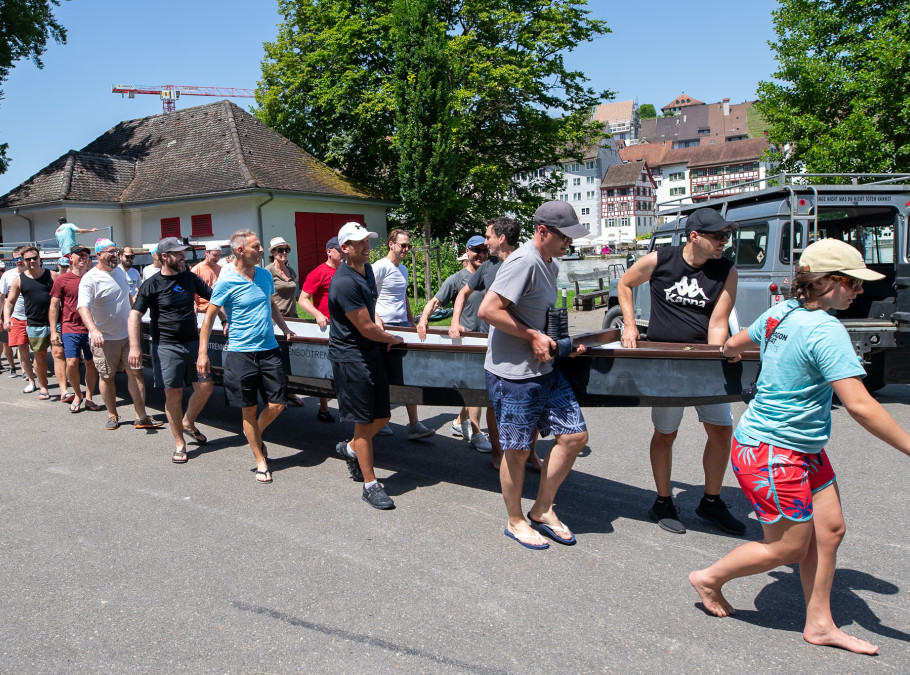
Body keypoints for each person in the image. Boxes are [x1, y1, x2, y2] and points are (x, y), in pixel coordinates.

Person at [689, 238, 910, 655]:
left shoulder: (782, 312)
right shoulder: (826, 330)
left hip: (802, 447)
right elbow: (860, 405)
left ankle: (821, 623)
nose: (861, 292)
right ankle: (709, 578)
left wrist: (730, 351)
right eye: (854, 284)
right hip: (770, 450)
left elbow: (740, 340)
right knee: (790, 546)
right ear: (827, 282)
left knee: (829, 531)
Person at [617, 207, 744, 536]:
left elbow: (718, 322)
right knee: (666, 433)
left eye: (726, 236)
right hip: (666, 364)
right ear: (694, 236)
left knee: (720, 431)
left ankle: (711, 501)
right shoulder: (662, 259)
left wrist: (716, 357)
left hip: (703, 363)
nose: (723, 243)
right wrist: (629, 326)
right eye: (718, 236)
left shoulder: (726, 271)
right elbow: (625, 283)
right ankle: (662, 501)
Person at [479, 201, 589, 549]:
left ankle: (541, 510)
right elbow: (488, 310)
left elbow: (537, 315)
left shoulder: (549, 263)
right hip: (513, 376)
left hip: (544, 368)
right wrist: (532, 336)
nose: (569, 244)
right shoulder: (522, 261)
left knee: (574, 437)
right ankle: (515, 520)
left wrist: (558, 342)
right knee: (517, 450)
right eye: (565, 237)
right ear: (543, 232)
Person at [197, 229, 295, 484]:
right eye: (257, 247)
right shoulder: (226, 281)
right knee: (248, 410)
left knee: (278, 404)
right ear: (241, 251)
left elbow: (270, 302)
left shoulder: (263, 275)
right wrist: (202, 354)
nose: (262, 251)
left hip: (269, 348)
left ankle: (253, 433)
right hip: (240, 353)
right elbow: (208, 318)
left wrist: (284, 327)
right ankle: (260, 459)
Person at [328, 221, 403, 509]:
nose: (365, 245)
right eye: (358, 242)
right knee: (364, 423)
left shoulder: (368, 271)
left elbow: (371, 314)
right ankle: (370, 485)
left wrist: (379, 324)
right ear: (344, 248)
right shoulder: (344, 281)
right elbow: (365, 328)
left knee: (382, 417)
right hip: (351, 358)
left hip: (370, 354)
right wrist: (391, 337)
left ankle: (349, 448)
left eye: (367, 240)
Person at [129, 237, 215, 464]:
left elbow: (215, 298)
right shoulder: (152, 283)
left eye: (183, 252)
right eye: (177, 253)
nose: (183, 256)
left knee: (205, 387)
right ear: (164, 257)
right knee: (173, 394)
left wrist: (225, 318)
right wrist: (135, 346)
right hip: (166, 346)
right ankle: (180, 442)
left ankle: (188, 422)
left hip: (193, 343)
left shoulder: (189, 278)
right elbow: (134, 314)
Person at [77, 238, 164, 431]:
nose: (114, 255)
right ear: (98, 255)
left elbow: (127, 297)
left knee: (136, 373)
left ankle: (141, 416)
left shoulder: (120, 273)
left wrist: (136, 320)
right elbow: (83, 308)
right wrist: (94, 330)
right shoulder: (90, 279)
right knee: (107, 377)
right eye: (109, 252)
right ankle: (112, 414)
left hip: (127, 336)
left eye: (115, 251)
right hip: (104, 339)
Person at [416, 235, 492, 452]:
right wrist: (423, 320)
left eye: (484, 250)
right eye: (476, 250)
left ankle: (459, 423)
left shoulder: (491, 275)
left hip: (488, 340)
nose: (481, 255)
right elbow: (435, 302)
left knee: (477, 389)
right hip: (467, 343)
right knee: (477, 388)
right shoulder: (457, 279)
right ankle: (476, 434)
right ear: (467, 252)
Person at [371, 228, 434, 440]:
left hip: (400, 326)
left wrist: (410, 321)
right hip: (385, 327)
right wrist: (377, 319)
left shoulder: (403, 269)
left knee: (407, 373)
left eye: (408, 245)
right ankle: (379, 419)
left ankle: (414, 423)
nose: (406, 249)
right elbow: (367, 294)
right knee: (384, 375)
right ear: (391, 244)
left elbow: (403, 296)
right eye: (402, 245)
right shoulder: (379, 267)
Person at [50, 245, 101, 413]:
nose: (83, 257)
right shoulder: (62, 280)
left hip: (91, 328)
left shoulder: (94, 277)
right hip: (70, 327)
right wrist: (53, 330)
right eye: (79, 254)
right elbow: (54, 306)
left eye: (85, 254)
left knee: (91, 363)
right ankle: (78, 394)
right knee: (71, 363)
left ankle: (88, 398)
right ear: (70, 258)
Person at [298, 236, 344, 423]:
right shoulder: (318, 273)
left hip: (346, 326)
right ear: (329, 251)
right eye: (340, 250)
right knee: (325, 369)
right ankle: (323, 408)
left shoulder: (347, 271)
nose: (343, 254)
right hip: (327, 328)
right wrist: (317, 314)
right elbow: (302, 299)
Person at [3, 245, 58, 399]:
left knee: (58, 354)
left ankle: (62, 386)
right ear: (21, 260)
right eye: (28, 259)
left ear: (39, 258)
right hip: (27, 321)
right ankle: (36, 384)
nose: (32, 261)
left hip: (50, 321)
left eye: (35, 258)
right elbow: (8, 301)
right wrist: (6, 318)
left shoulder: (51, 275)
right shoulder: (15, 279)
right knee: (30, 354)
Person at [265, 235, 306, 408]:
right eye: (279, 250)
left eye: (286, 249)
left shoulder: (291, 271)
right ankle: (278, 396)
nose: (283, 252)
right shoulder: (268, 272)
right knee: (277, 359)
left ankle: (290, 392)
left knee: (291, 358)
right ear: (273, 253)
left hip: (293, 318)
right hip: (276, 320)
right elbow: (267, 299)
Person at [0, 249, 26, 379]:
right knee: (6, 343)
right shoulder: (7, 275)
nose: (19, 260)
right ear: (13, 260)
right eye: (16, 259)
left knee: (23, 345)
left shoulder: (31, 274)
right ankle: (12, 366)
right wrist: (2, 317)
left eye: (21, 257)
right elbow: (2, 297)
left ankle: (25, 371)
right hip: (9, 315)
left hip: (28, 315)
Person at [190, 242, 222, 311]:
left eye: (219, 255)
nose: (217, 258)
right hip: (203, 308)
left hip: (219, 304)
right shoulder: (196, 270)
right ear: (207, 252)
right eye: (214, 255)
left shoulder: (221, 268)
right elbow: (190, 291)